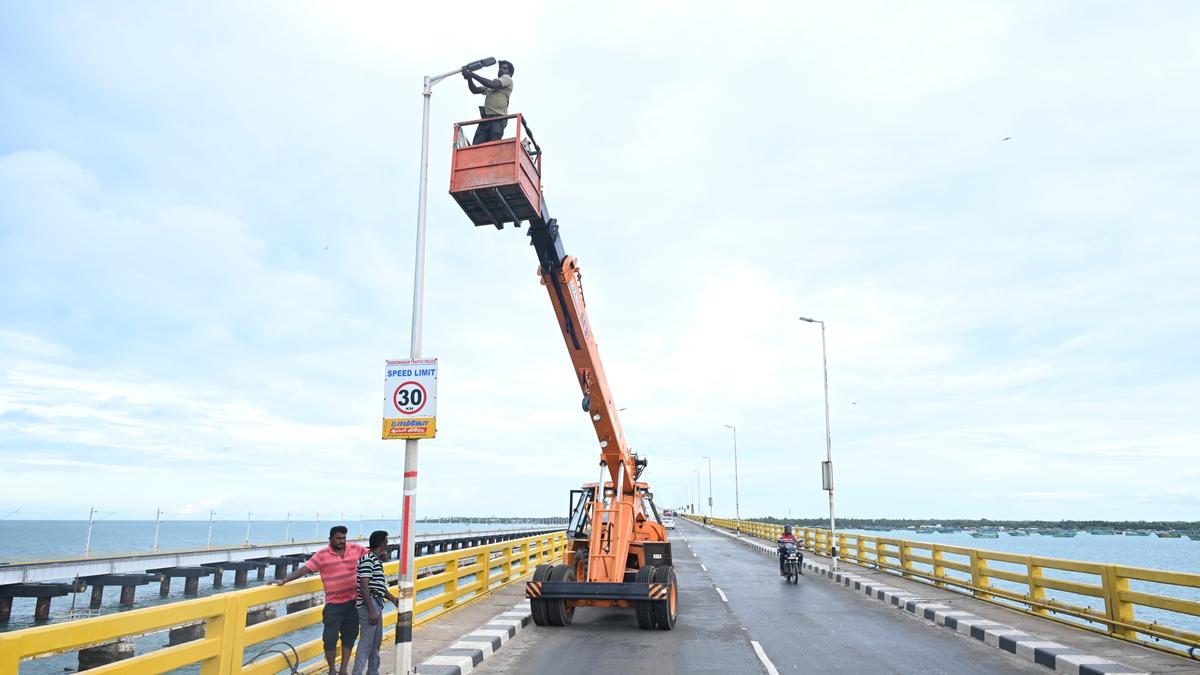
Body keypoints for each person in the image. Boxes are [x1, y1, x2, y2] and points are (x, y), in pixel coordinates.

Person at [275, 525, 366, 675]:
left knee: (349, 637)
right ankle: (332, 669)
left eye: (344, 538)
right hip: (333, 605)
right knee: (329, 640)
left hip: (353, 603)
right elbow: (305, 569)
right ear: (330, 539)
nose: (342, 541)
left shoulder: (356, 549)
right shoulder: (322, 555)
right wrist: (284, 580)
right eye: (338, 538)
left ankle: (343, 670)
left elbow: (372, 557)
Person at [353, 530, 398, 675]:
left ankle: (373, 672)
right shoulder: (368, 560)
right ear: (381, 544)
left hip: (377, 603)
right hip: (370, 605)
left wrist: (393, 599)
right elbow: (364, 585)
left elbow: (378, 586)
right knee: (366, 644)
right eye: (386, 541)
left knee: (375, 644)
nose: (388, 544)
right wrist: (371, 610)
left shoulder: (376, 561)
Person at [463, 60, 514, 145]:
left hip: (498, 118)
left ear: (510, 73)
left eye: (504, 68)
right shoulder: (493, 84)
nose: (501, 69)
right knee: (477, 145)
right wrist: (469, 78)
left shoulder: (507, 79)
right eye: (500, 68)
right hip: (486, 119)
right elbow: (475, 90)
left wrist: (472, 74)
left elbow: (492, 84)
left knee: (492, 146)